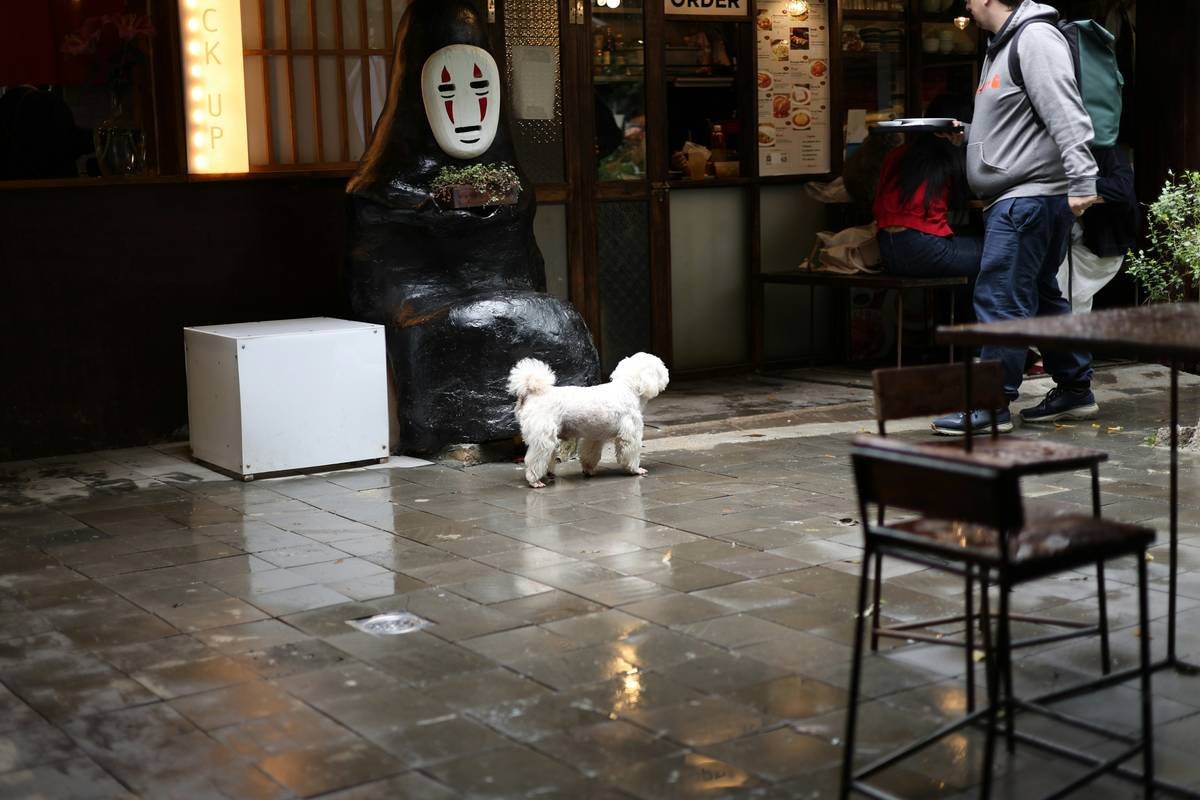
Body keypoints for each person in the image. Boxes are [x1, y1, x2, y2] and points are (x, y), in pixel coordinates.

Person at [932, 0, 1101, 436]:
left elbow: (1067, 112)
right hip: (1020, 198)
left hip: (1026, 199)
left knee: (1001, 298)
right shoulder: (1000, 46)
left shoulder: (1034, 39)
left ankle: (991, 406)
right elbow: (1020, 125)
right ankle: (1075, 389)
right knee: (1042, 298)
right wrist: (967, 135)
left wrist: (1084, 180)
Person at [874, 94, 981, 279]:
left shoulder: (897, 154)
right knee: (1002, 252)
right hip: (926, 249)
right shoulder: (948, 157)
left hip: (887, 250)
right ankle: (975, 308)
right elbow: (976, 193)